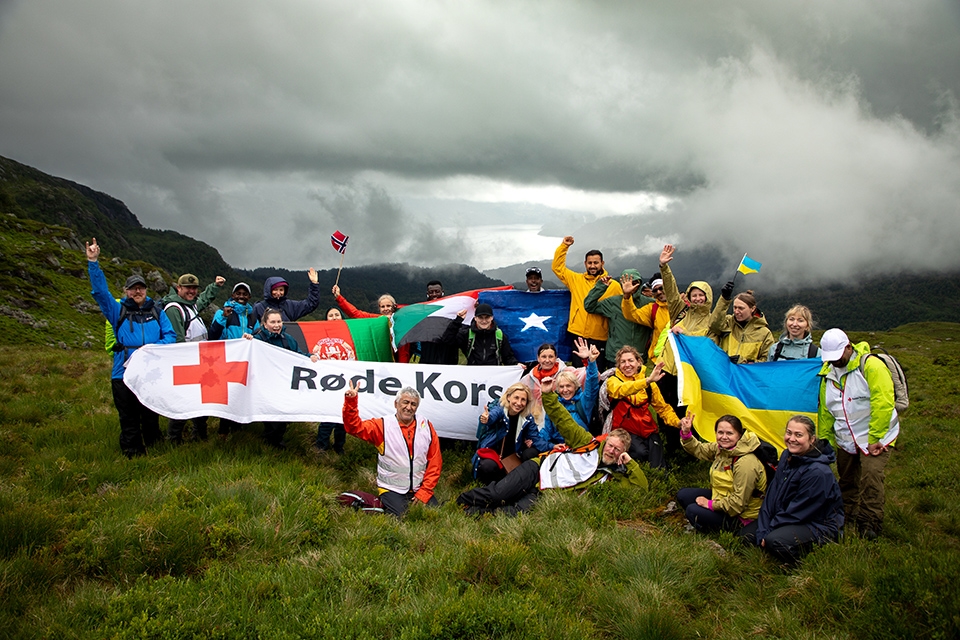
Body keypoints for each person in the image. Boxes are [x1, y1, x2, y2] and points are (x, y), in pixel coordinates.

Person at [457, 375, 647, 516]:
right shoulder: (587, 442)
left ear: (623, 454)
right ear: (605, 441)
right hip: (538, 468)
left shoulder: (609, 476)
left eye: (617, 450)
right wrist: (548, 395)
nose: (612, 451)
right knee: (499, 493)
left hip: (547, 490)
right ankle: (460, 501)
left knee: (514, 512)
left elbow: (641, 489)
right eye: (611, 445)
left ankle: (472, 513)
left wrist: (630, 464)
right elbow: (563, 419)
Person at [85, 238, 176, 457]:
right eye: (133, 289)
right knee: (128, 414)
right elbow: (100, 293)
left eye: (141, 288)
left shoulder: (157, 311)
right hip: (123, 371)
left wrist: (151, 349)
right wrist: (93, 262)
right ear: (126, 291)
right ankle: (132, 451)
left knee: (150, 411)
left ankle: (154, 443)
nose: (138, 292)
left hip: (151, 372)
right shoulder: (117, 311)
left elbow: (170, 336)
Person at [817, 328, 898, 539]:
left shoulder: (871, 366)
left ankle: (870, 522)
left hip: (877, 438)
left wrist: (875, 438)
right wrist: (825, 442)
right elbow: (826, 411)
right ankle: (847, 515)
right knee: (847, 479)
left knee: (871, 478)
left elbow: (884, 402)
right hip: (846, 439)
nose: (834, 361)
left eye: (837, 356)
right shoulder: (827, 374)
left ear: (848, 348)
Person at [740, 416, 844, 562]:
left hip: (816, 523)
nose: (792, 438)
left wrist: (770, 529)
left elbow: (801, 510)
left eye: (799, 435)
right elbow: (772, 494)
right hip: (786, 514)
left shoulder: (818, 472)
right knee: (747, 536)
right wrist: (764, 528)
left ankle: (804, 562)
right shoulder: (786, 455)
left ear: (812, 439)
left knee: (774, 541)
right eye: (789, 433)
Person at [648, 245, 715, 459]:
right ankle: (670, 445)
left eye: (701, 295)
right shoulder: (679, 311)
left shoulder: (711, 321)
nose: (697, 299)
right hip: (667, 369)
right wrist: (664, 267)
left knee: (686, 409)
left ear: (707, 298)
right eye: (694, 295)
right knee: (664, 407)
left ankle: (689, 444)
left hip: (689, 373)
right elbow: (671, 290)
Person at [342, 381, 442, 517]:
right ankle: (371, 503)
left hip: (419, 487)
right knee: (402, 517)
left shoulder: (426, 426)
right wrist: (351, 402)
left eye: (413, 404)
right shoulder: (382, 426)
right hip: (391, 489)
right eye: (405, 402)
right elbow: (354, 428)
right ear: (396, 404)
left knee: (433, 515)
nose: (409, 407)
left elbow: (435, 462)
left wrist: (424, 491)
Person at [675, 413, 767, 533]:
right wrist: (686, 433)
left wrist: (710, 505)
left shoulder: (746, 463)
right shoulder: (722, 450)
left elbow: (738, 504)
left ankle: (724, 531)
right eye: (720, 432)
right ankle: (708, 521)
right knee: (683, 495)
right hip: (723, 497)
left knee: (692, 510)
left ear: (739, 435)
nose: (724, 437)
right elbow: (699, 449)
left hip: (741, 515)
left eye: (729, 433)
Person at [164, 272, 226, 443]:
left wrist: (215, 286)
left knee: (200, 400)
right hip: (186, 364)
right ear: (178, 288)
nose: (191, 291)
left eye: (194, 288)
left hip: (200, 363)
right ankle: (174, 438)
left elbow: (204, 300)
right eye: (187, 288)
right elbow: (177, 339)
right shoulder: (174, 309)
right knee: (183, 402)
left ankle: (199, 434)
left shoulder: (190, 306)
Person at [243, 309, 311, 449]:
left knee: (282, 413)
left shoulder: (288, 339)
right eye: (272, 322)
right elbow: (247, 351)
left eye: (279, 321)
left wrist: (311, 358)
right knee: (271, 414)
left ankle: (274, 440)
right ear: (265, 324)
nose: (276, 325)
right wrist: (247, 341)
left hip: (282, 382)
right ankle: (272, 443)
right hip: (265, 383)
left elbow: (298, 355)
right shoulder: (258, 339)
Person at [605, 345, 680, 469]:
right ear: (618, 366)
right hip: (625, 430)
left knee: (657, 461)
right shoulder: (613, 381)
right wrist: (646, 381)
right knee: (642, 453)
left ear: (639, 362)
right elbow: (621, 390)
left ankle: (660, 475)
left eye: (630, 360)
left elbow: (663, 408)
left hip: (647, 428)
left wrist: (678, 423)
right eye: (622, 362)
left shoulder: (650, 385)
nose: (627, 365)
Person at [552, 236, 612, 368]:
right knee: (579, 374)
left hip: (600, 337)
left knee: (597, 373)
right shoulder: (576, 280)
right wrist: (564, 246)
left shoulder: (612, 285)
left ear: (602, 263)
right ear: (585, 264)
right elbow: (557, 267)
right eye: (590, 263)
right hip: (578, 335)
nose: (592, 266)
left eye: (596, 263)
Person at [473, 383, 547, 484]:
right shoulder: (500, 409)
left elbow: (536, 439)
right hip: (494, 454)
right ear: (508, 397)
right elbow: (492, 416)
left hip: (514, 456)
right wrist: (487, 419)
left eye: (523, 400)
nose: (519, 403)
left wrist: (553, 447)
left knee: (532, 453)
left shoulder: (527, 417)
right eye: (516, 398)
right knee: (488, 467)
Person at [209, 282, 256, 438]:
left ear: (249, 296)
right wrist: (223, 317)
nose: (241, 296)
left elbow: (257, 337)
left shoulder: (252, 315)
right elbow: (213, 336)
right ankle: (223, 430)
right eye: (238, 293)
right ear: (233, 294)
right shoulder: (223, 313)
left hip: (244, 362)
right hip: (227, 361)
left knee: (241, 393)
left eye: (244, 294)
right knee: (228, 395)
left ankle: (238, 430)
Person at [583, 269, 654, 363]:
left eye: (634, 282)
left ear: (640, 283)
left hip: (638, 356)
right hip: (615, 356)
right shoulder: (614, 302)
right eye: (626, 282)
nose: (630, 285)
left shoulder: (649, 304)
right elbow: (589, 306)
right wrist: (600, 287)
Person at [539, 338, 600, 446]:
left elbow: (592, 382)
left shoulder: (584, 401)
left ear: (576, 386)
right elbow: (547, 431)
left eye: (568, 386)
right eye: (561, 387)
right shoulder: (555, 404)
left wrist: (591, 361)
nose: (565, 390)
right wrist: (535, 440)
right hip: (558, 446)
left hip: (581, 445)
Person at [708, 285, 775, 364]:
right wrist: (724, 299)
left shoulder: (765, 333)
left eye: (741, 308)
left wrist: (745, 362)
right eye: (735, 307)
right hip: (725, 372)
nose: (736, 311)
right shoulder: (728, 323)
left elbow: (768, 362)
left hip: (747, 375)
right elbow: (714, 324)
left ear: (752, 309)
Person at [439, 303, 519, 366]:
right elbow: (447, 340)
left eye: (487, 317)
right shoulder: (467, 334)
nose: (484, 321)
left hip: (494, 377)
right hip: (472, 376)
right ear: (475, 318)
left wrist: (516, 365)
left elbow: (508, 357)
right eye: (480, 317)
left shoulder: (499, 335)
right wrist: (457, 321)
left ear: (492, 318)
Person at [620, 272, 671, 364]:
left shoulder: (683, 306)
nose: (659, 292)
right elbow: (632, 315)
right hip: (660, 359)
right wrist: (627, 296)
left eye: (661, 288)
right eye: (655, 290)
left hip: (682, 357)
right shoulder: (652, 309)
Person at [521, 342, 586, 408]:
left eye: (551, 357)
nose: (547, 360)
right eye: (543, 357)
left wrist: (587, 360)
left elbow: (590, 377)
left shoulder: (567, 372)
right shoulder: (529, 378)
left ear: (555, 358)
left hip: (564, 414)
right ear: (538, 358)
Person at [412, 280, 460, 365]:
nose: (434, 294)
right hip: (428, 353)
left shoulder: (452, 308)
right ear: (427, 293)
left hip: (448, 354)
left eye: (437, 291)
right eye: (431, 292)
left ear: (442, 292)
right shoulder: (421, 311)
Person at [253, 270, 321, 322]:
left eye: (281, 290)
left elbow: (310, 304)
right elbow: (252, 327)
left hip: (285, 339)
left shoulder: (290, 305)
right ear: (269, 290)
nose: (278, 293)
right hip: (265, 340)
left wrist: (314, 284)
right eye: (275, 290)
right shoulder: (259, 307)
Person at [331, 284, 397, 318]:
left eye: (388, 306)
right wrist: (339, 297)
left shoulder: (401, 317)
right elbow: (355, 314)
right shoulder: (377, 319)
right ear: (379, 308)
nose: (385, 309)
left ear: (394, 306)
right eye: (382, 307)